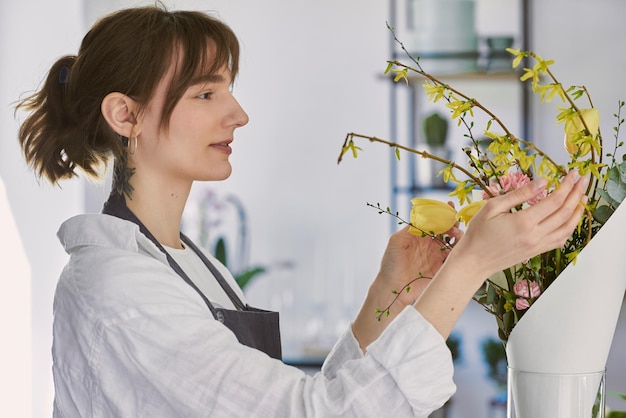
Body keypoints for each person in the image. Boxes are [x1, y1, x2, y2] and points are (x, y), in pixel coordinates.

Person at [15, 5, 588, 417]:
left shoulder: (182, 263)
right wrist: (469, 265)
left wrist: (390, 295)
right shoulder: (119, 289)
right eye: (206, 94)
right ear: (125, 114)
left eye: (229, 90)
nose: (238, 113)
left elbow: (299, 400)